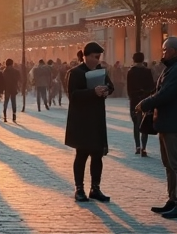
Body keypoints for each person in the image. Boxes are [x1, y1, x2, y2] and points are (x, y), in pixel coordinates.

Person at [138, 37, 177, 220]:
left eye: (164, 50)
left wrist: (145, 103)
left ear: (173, 50)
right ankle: (173, 200)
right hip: (168, 123)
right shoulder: (174, 68)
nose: (162, 53)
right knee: (169, 165)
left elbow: (165, 94)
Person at [64, 42, 114, 202]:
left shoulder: (100, 71)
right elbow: (73, 95)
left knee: (97, 154)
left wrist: (106, 90)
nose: (96, 60)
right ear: (85, 56)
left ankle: (95, 188)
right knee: (82, 154)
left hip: (97, 118)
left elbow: (111, 87)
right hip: (82, 119)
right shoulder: (76, 72)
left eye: (98, 57)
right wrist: (93, 92)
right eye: (94, 57)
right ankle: (79, 188)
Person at [126, 52, 156, 156]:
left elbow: (129, 89)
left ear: (133, 59)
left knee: (136, 124)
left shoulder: (131, 72)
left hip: (134, 100)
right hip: (145, 100)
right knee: (144, 124)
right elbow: (152, 87)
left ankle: (137, 146)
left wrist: (133, 96)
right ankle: (144, 148)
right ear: (143, 60)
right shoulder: (147, 71)